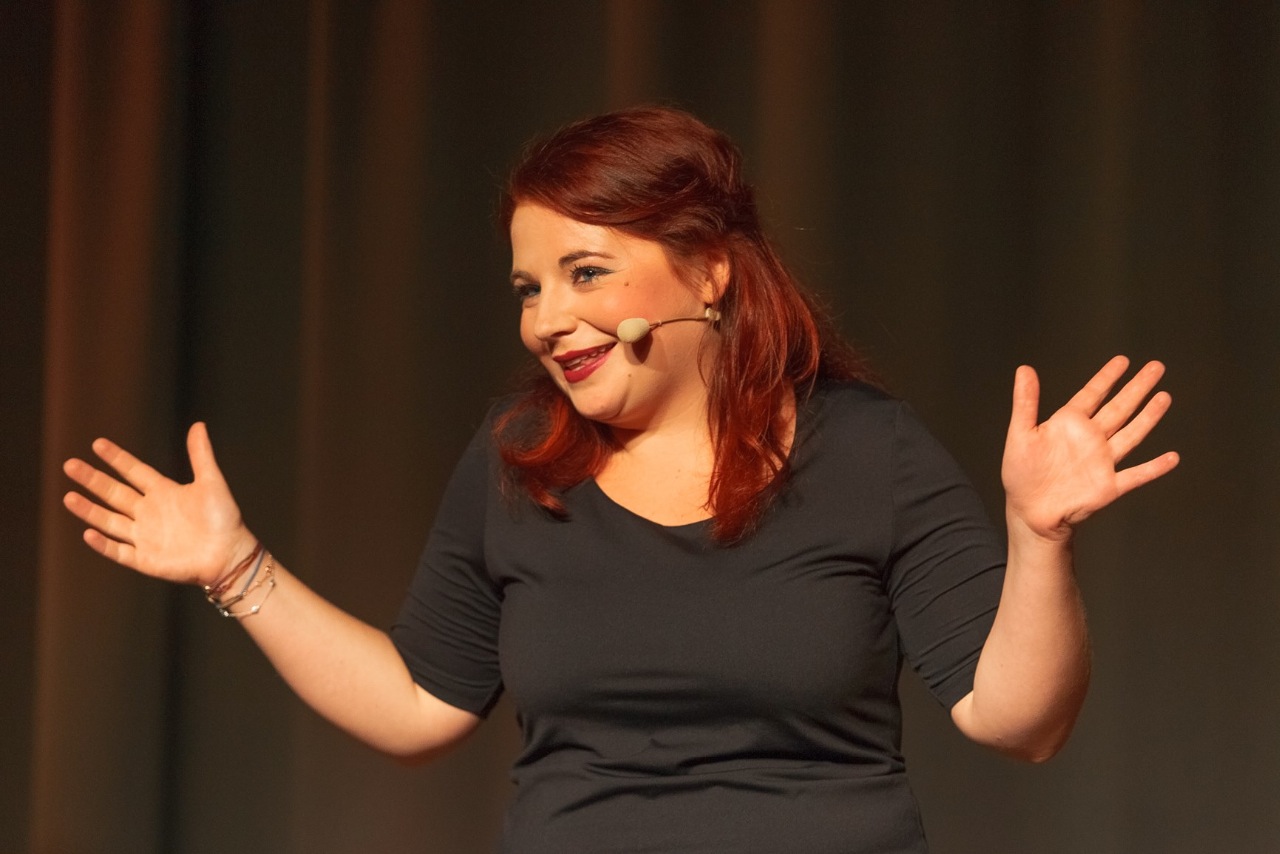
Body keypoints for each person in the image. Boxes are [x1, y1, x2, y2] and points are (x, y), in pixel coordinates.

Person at [62, 106, 1179, 853]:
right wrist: (235, 567)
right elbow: (418, 703)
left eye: (584, 272)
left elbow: (1019, 721)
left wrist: (1039, 538)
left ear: (709, 270)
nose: (547, 320)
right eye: (528, 287)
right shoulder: (518, 457)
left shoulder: (865, 450)